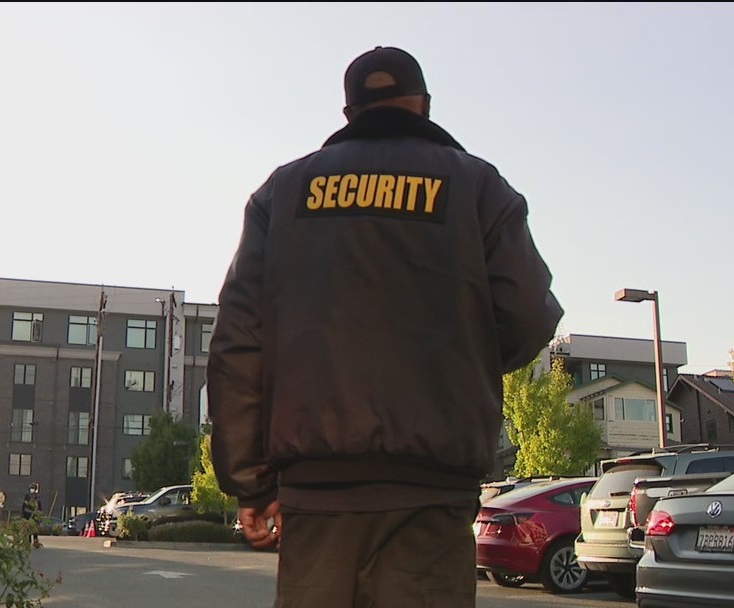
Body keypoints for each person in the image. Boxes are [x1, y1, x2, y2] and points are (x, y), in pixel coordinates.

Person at [207, 46, 564, 607]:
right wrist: (463, 360)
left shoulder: (283, 193)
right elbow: (527, 315)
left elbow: (238, 345)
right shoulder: (475, 186)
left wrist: (249, 481)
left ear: (349, 114)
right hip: (431, 493)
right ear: (423, 106)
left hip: (316, 496)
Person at [22, 482, 43, 548]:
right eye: (31, 488)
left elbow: (39, 507)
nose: (32, 489)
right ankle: (28, 542)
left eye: (33, 488)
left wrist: (39, 515)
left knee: (35, 530)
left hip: (35, 516)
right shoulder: (27, 496)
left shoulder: (37, 497)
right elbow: (24, 505)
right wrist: (23, 513)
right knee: (27, 529)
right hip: (27, 515)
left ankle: (35, 541)